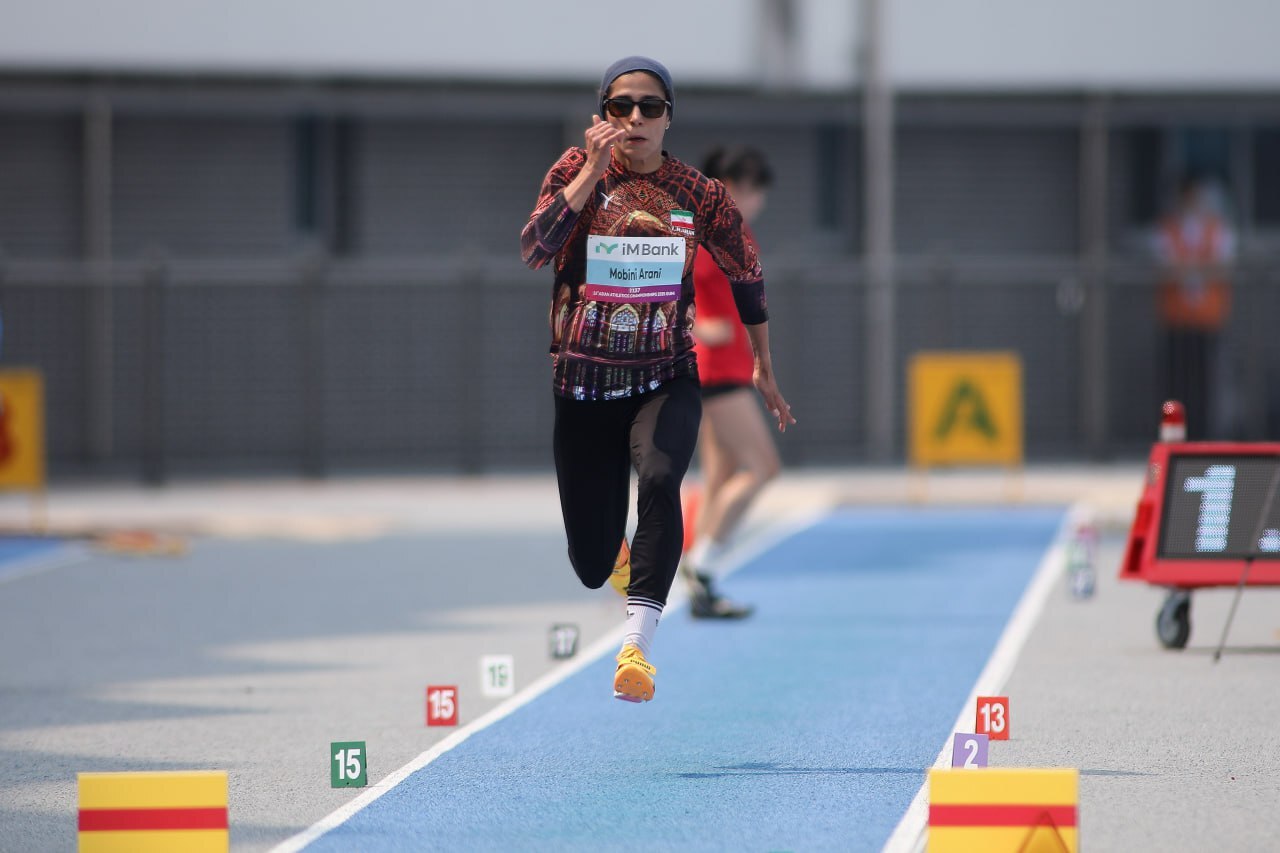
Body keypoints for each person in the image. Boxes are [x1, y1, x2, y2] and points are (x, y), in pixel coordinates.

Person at [520, 57, 794, 703]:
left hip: (665, 375)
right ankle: (617, 563)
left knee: (665, 477)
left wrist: (764, 363)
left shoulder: (699, 195)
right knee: (590, 563)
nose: (635, 119)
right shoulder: (571, 170)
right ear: (601, 115)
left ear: (670, 118)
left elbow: (748, 275)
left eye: (649, 107)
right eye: (621, 107)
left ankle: (637, 645)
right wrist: (590, 171)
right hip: (583, 385)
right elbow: (535, 247)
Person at [680, 145, 781, 619]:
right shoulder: (705, 232)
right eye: (752, 190)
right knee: (763, 467)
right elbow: (670, 285)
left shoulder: (725, 231)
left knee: (719, 476)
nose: (757, 200)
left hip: (728, 364)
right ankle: (700, 565)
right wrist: (695, 323)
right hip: (715, 368)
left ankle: (701, 583)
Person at [1153, 174, 1236, 439]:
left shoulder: (1217, 230)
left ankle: (1204, 434)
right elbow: (1165, 265)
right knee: (1176, 385)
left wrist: (1192, 268)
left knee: (1206, 383)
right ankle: (1173, 434)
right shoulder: (1169, 230)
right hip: (1176, 320)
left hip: (1207, 320)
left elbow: (1223, 264)